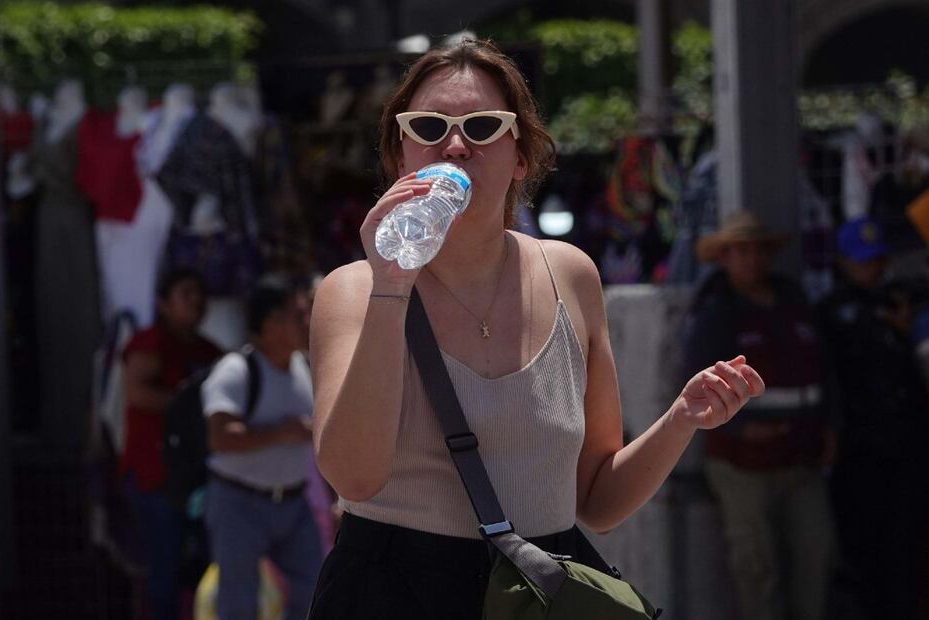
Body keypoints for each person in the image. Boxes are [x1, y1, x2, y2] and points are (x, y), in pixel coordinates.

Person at [306, 38, 764, 619]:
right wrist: (392, 286)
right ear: (401, 156)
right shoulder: (354, 289)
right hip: (392, 593)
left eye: (482, 126)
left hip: (533, 596)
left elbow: (597, 501)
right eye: (427, 126)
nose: (454, 145)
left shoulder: (570, 275)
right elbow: (353, 477)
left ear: (520, 155)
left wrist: (681, 419)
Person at [684, 211, 837, 620]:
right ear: (724, 257)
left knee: (817, 555)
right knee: (757, 567)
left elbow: (825, 368)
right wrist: (741, 428)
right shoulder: (715, 311)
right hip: (742, 466)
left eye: (758, 250)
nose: (752, 259)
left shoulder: (793, 301)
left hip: (801, 458)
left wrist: (830, 427)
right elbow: (697, 383)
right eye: (741, 251)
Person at [818, 216, 929, 619]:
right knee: (862, 549)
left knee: (906, 546)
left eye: (878, 260)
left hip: (907, 447)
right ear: (843, 262)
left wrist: (906, 328)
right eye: (863, 261)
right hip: (858, 451)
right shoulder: (832, 312)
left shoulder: (902, 304)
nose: (873, 269)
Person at [200, 274, 322, 620]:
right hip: (239, 504)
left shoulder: (304, 367)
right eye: (299, 314)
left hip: (293, 504)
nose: (308, 321)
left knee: (316, 587)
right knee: (239, 602)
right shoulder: (235, 371)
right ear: (271, 322)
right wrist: (281, 432)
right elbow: (219, 438)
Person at [121, 267, 223, 620]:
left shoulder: (209, 351)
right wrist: (190, 407)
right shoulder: (150, 343)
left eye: (199, 294)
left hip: (197, 482)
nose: (196, 301)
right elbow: (137, 393)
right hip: (154, 479)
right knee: (162, 576)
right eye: (186, 294)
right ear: (163, 304)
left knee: (200, 573)